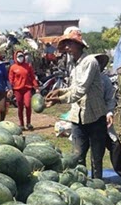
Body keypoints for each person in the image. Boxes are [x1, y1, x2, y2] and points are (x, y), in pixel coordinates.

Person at [45, 28, 107, 179]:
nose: (67, 48)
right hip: (78, 117)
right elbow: (74, 87)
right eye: (65, 45)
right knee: (78, 155)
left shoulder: (90, 62)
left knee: (96, 158)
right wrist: (60, 92)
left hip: (95, 116)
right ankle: (82, 183)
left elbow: (81, 90)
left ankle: (98, 185)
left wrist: (59, 100)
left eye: (70, 44)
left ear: (79, 45)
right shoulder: (73, 64)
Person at [95, 54, 121, 183]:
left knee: (115, 145)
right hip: (86, 120)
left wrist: (109, 113)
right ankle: (93, 179)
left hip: (102, 118)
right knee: (92, 149)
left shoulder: (104, 80)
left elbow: (110, 98)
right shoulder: (81, 79)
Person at [9, 50, 39, 131]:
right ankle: (21, 124)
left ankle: (28, 123)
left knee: (28, 105)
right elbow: (11, 79)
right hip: (17, 89)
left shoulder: (28, 66)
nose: (20, 58)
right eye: (19, 56)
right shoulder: (13, 67)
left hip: (27, 88)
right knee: (20, 107)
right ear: (15, 57)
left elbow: (32, 77)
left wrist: (36, 87)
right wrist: (10, 89)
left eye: (22, 56)